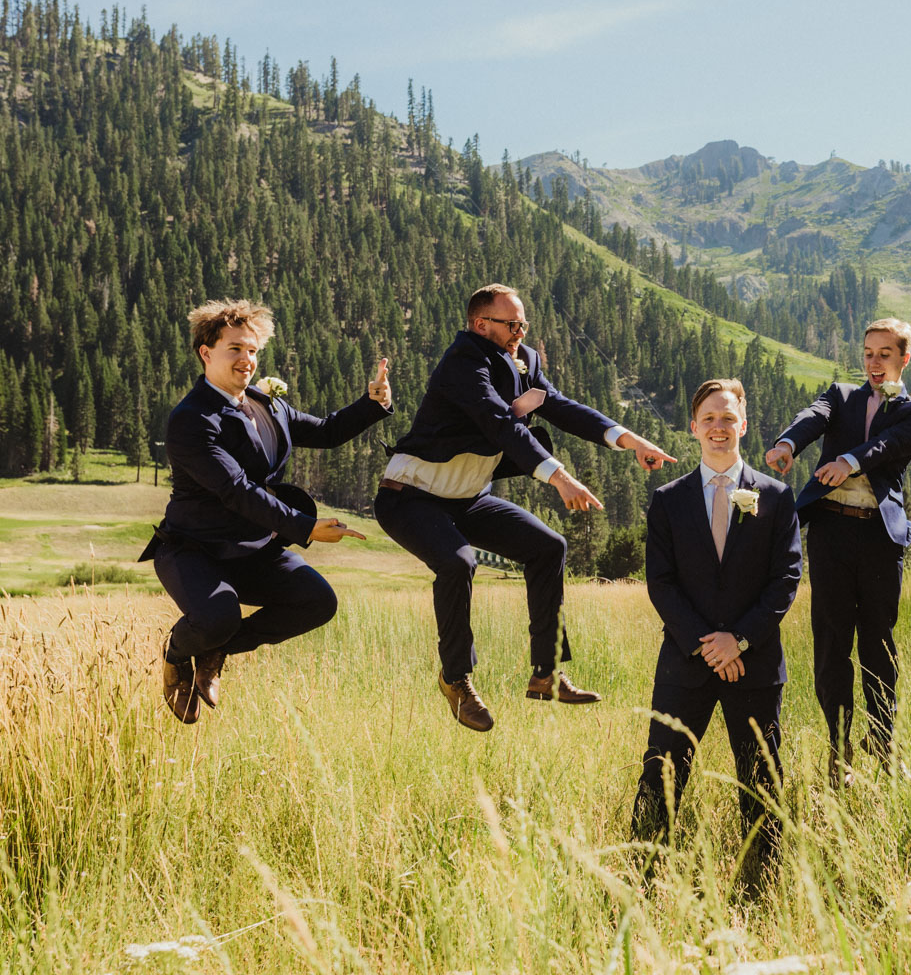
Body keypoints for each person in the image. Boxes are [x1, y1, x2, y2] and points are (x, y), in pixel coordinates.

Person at [375, 283, 676, 731]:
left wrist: (627, 439)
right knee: (459, 563)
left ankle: (546, 674)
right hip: (410, 496)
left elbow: (562, 408)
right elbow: (500, 425)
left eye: (523, 324)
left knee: (547, 547)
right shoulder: (463, 364)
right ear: (481, 325)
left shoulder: (527, 360)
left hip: (469, 498)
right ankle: (456, 680)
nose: (520, 332)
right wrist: (559, 476)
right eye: (511, 324)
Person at [145, 299, 392, 724]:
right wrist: (307, 528)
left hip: (253, 547)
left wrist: (373, 404)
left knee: (317, 602)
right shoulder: (192, 418)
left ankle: (217, 649)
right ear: (207, 352)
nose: (247, 360)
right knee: (216, 617)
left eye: (253, 350)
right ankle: (179, 652)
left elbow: (328, 432)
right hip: (194, 550)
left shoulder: (267, 404)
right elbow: (234, 490)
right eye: (235, 349)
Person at [631, 379, 801, 887]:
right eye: (709, 418)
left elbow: (785, 579)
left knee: (761, 780)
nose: (719, 428)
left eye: (728, 418)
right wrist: (708, 644)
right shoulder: (668, 500)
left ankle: (762, 886)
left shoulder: (776, 497)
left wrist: (739, 640)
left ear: (743, 425)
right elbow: (660, 582)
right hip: (686, 663)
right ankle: (641, 879)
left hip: (754, 664)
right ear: (693, 428)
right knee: (662, 774)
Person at [764, 318, 911, 785]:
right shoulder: (840, 395)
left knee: (879, 643)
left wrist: (849, 461)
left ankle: (883, 742)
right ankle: (839, 751)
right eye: (868, 353)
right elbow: (812, 416)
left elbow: (888, 445)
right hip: (830, 534)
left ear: (904, 358)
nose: (874, 363)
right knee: (832, 643)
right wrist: (787, 444)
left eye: (884, 354)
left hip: (880, 539)